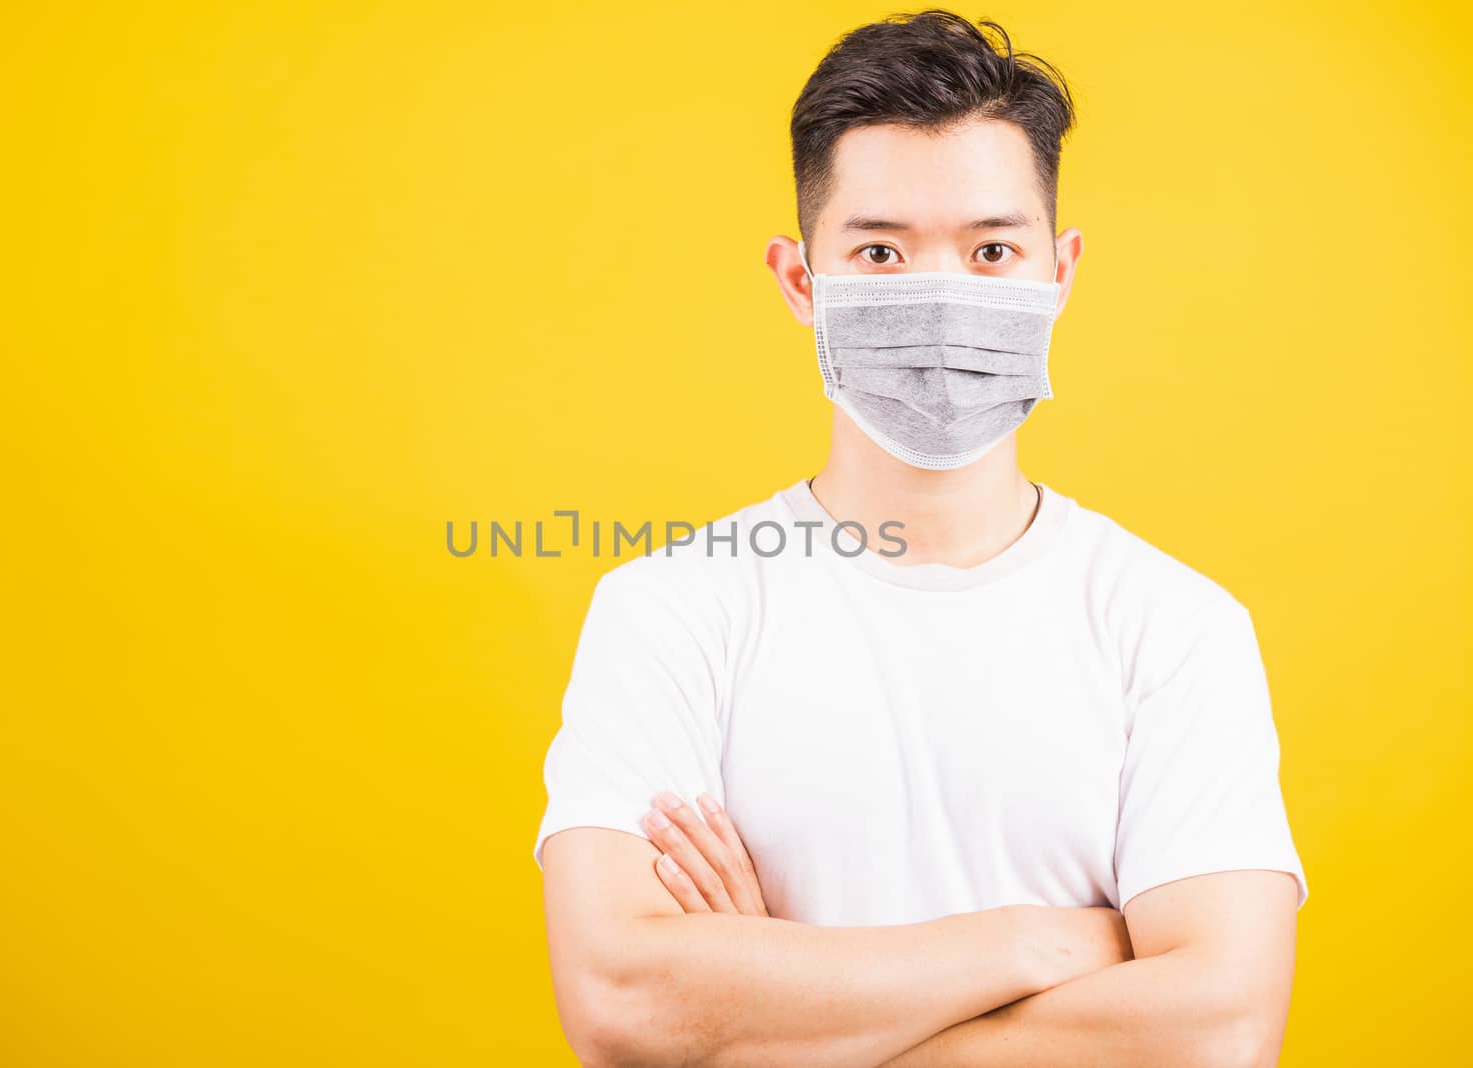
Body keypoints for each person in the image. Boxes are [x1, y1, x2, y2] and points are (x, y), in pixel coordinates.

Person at [533, 10, 1307, 1066]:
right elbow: (626, 1010)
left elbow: (1215, 1033)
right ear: (801, 282)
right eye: (881, 251)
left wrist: (772, 1011)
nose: (942, 296)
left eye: (992, 249)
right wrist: (1037, 942)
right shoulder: (672, 609)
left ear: (1058, 271)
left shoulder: (1172, 629)